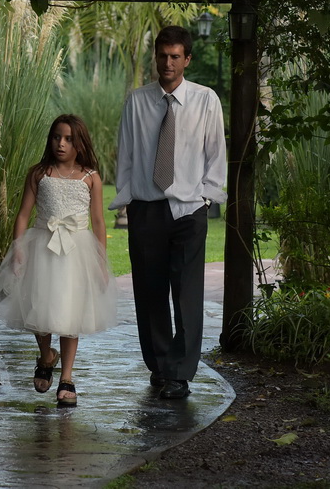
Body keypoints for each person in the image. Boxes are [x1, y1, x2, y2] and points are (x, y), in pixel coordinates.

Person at [110, 25, 227, 399]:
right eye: (163, 55)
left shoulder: (207, 100)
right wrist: (128, 201)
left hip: (189, 211)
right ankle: (160, 365)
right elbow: (125, 155)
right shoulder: (137, 101)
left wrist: (206, 199)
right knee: (150, 292)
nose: (168, 63)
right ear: (155, 57)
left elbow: (215, 155)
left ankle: (180, 373)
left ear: (187, 59)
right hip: (145, 209)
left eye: (176, 56)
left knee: (187, 294)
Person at [0, 114, 119, 407]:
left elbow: (98, 222)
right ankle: (46, 355)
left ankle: (67, 377)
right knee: (40, 306)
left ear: (79, 143)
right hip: (42, 247)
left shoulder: (90, 177)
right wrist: (19, 248)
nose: (61, 144)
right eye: (56, 137)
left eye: (68, 139)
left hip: (76, 252)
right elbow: (23, 214)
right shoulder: (39, 173)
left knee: (69, 312)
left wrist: (101, 261)